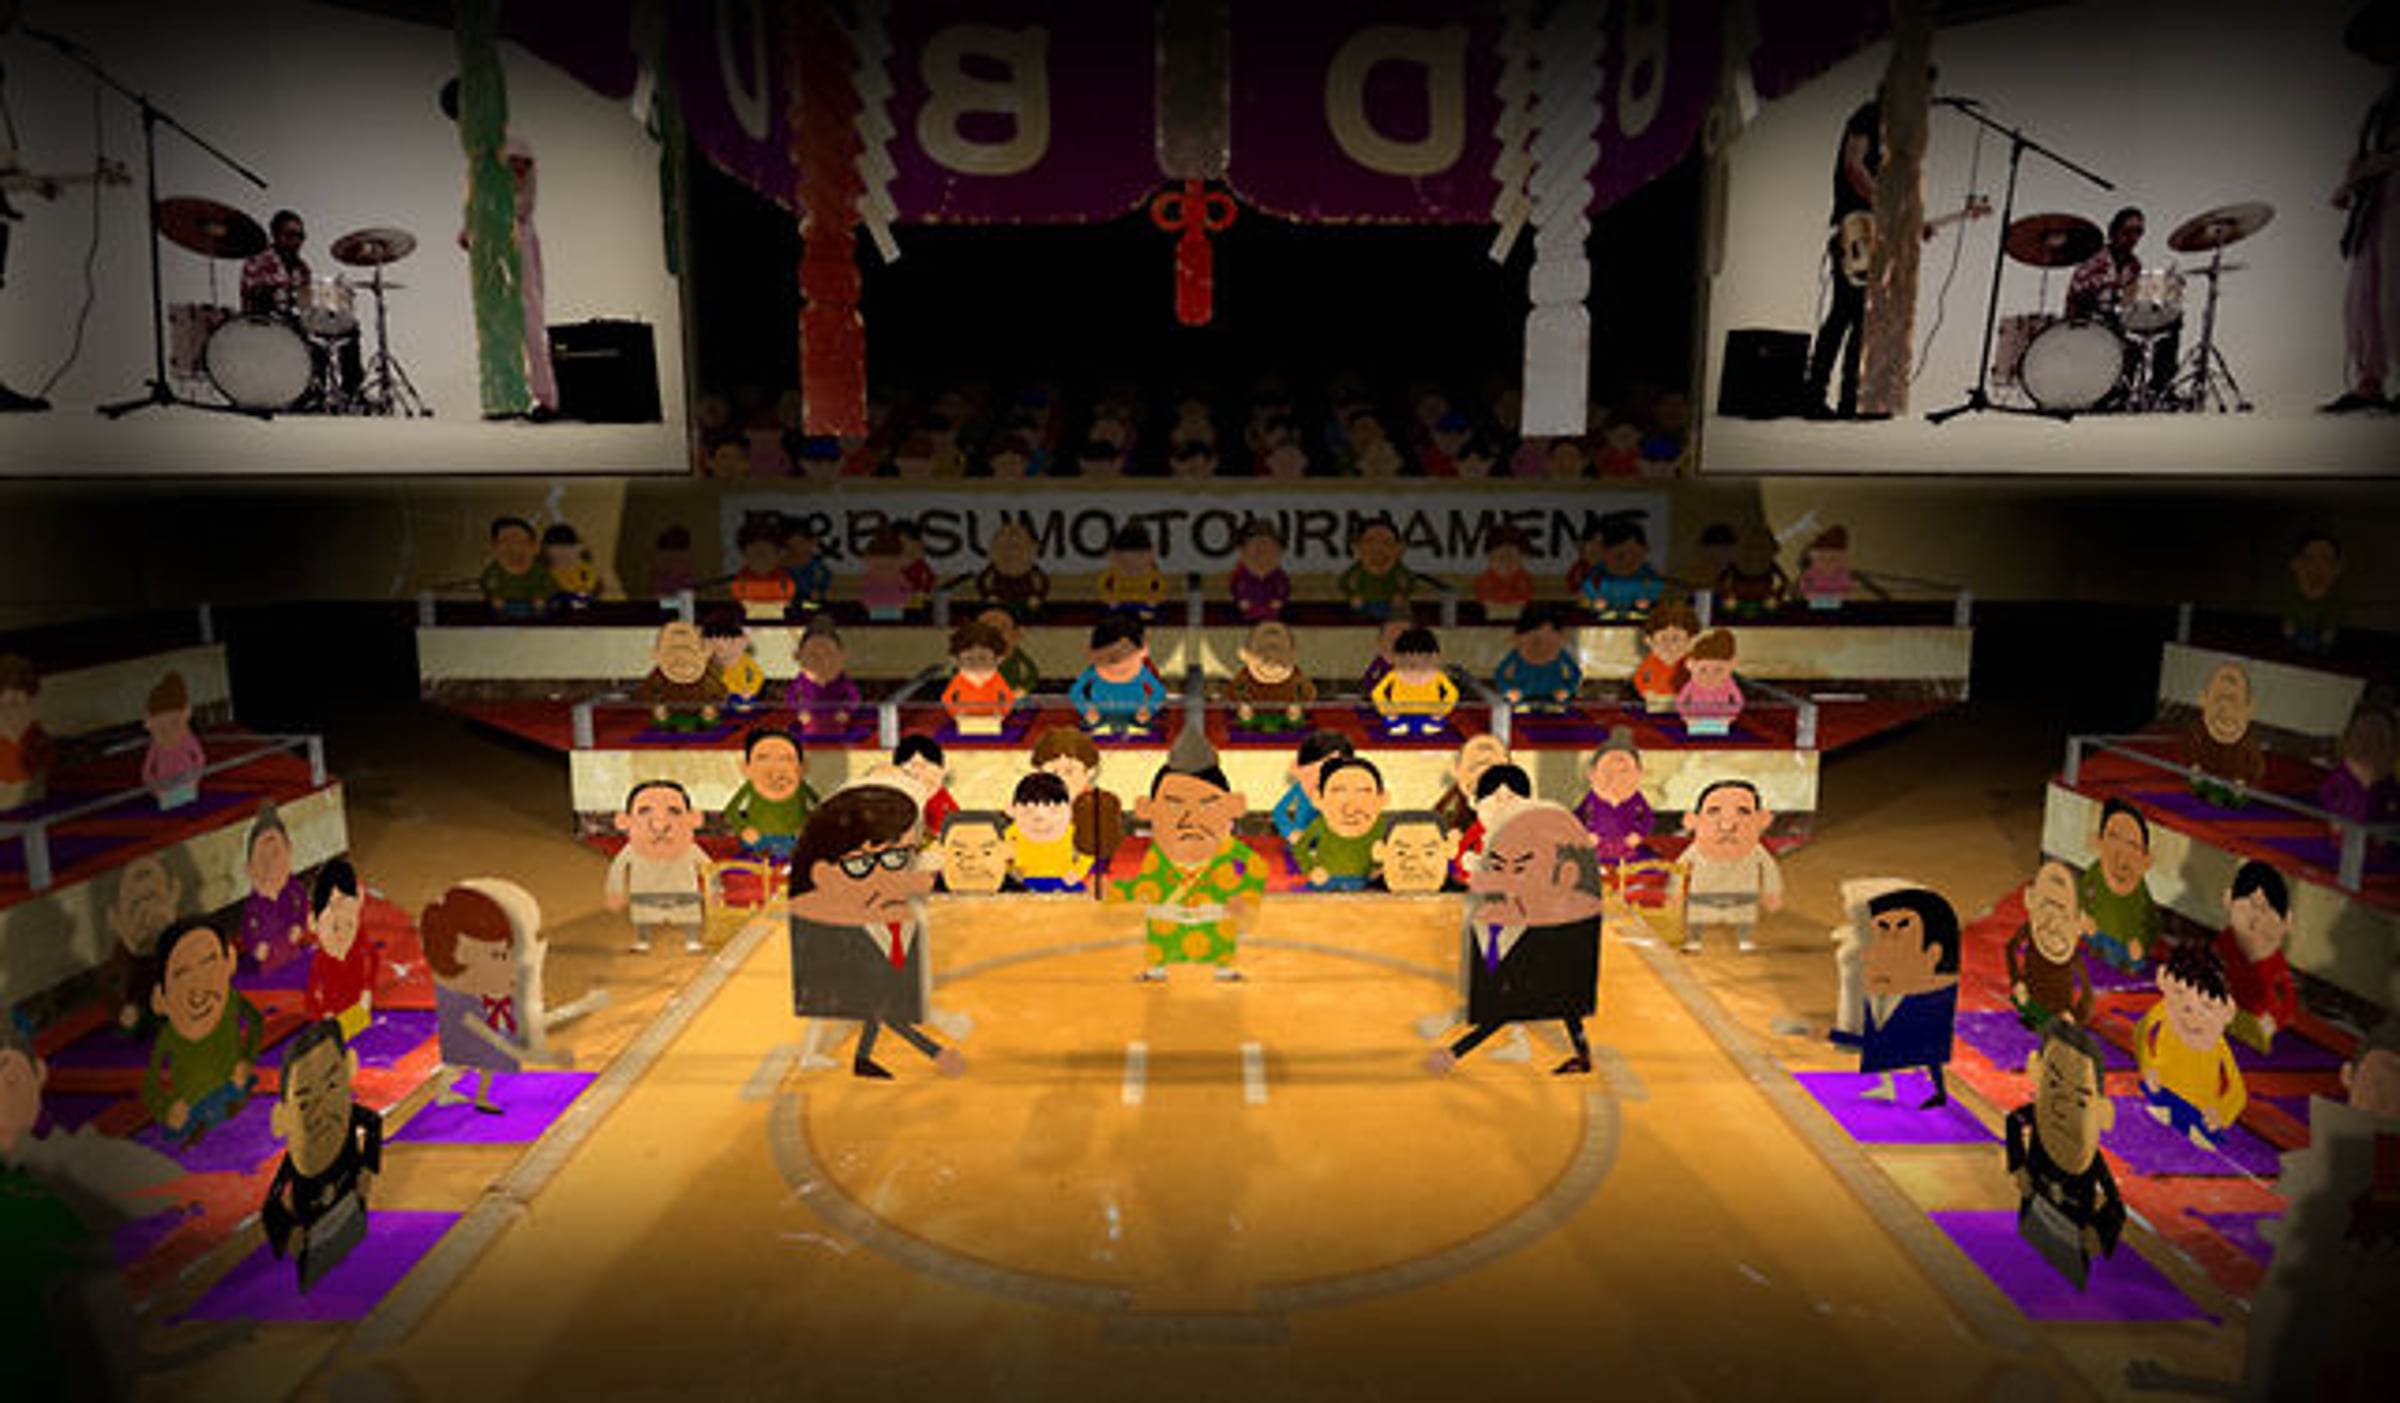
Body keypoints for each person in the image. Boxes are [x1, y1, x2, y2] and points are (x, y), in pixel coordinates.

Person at [787, 784, 966, 1079]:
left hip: (848, 950)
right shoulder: (833, 899)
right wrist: (938, 1047)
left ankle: (853, 1058)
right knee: (856, 1005)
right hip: (834, 952)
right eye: (860, 863)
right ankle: (827, 1056)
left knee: (864, 1006)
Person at [1425, 805, 1606, 1077]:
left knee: (1523, 1006)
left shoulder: (1558, 894)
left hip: (1551, 948)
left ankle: (1454, 1053)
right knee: (1565, 1008)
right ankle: (1583, 1056)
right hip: (1551, 948)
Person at [1113, 730, 1264, 982]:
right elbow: (1145, 886)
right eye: (1174, 804)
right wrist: (1118, 891)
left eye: (1207, 804)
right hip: (1171, 916)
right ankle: (1158, 968)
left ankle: (1222, 967)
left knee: (1217, 932)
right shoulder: (1160, 854)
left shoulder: (1225, 848)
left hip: (1214, 912)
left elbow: (1256, 867)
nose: (1190, 818)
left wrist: (1245, 896)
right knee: (1161, 926)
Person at [261, 1019, 382, 1294]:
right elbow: (271, 1206)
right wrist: (290, 1234)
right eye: (305, 1104)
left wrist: (369, 1167)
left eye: (332, 1085)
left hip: (349, 1204)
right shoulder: (299, 1158)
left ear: (349, 1067)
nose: (321, 1111)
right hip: (315, 1222)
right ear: (282, 1118)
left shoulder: (349, 1118)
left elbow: (373, 1123)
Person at [2006, 1019, 2125, 1290]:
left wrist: (2098, 1230)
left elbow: (2115, 1205)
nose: (2061, 1106)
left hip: (2071, 1230)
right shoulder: (2040, 1118)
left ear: (2101, 1112)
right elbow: (2014, 1121)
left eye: (2080, 1100)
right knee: (2029, 1264)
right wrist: (2018, 1165)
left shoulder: (2088, 1157)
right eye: (2053, 1084)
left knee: (2060, 1281)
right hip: (2035, 1210)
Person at [2326, 5, 2400, 413]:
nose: (2372, 58)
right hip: (2377, 203)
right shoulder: (2383, 100)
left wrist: (2374, 166)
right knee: (2364, 294)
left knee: (2395, 291)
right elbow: (2369, 151)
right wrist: (2350, 183)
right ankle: (2369, 382)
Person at [1830, 886, 1962, 1108]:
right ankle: (1899, 1085)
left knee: (1920, 1046)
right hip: (1893, 991)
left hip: (1911, 992)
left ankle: (1934, 1089)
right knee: (1891, 1039)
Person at [142, 919, 263, 1145]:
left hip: (230, 1091)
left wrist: (247, 1059)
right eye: (182, 973)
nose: (199, 981)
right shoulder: (170, 1035)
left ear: (229, 962)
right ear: (160, 999)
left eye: (209, 963)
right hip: (193, 1110)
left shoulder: (231, 1001)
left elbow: (256, 1021)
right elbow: (150, 1083)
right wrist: (166, 1110)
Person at [1805, 91, 1882, 419]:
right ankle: (1814, 396)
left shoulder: (1888, 127)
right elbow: (1853, 165)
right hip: (1855, 228)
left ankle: (1849, 401)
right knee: (1845, 314)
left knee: (1859, 317)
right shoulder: (1869, 116)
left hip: (1868, 228)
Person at [240, 209, 361, 408]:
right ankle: (304, 393)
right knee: (308, 333)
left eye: (300, 236)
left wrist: (327, 303)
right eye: (290, 235)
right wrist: (284, 301)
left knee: (348, 328)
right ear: (275, 235)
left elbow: (306, 304)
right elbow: (256, 297)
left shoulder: (302, 268)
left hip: (294, 322)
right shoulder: (258, 261)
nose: (296, 241)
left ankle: (349, 392)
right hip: (262, 325)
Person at [2065, 207, 2177, 406]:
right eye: (2128, 231)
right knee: (2125, 335)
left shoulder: (2134, 265)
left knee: (2170, 322)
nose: (2133, 238)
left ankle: (2159, 389)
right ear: (2114, 231)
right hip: (2089, 323)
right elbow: (2077, 295)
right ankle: (2109, 390)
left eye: (2138, 232)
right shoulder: (2095, 260)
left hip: (2118, 319)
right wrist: (2113, 294)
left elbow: (2131, 300)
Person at [606, 779, 719, 954]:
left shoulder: (690, 849)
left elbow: (709, 869)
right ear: (624, 821)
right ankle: (643, 940)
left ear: (693, 819)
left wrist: (715, 890)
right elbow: (618, 868)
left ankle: (692, 940)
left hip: (683, 894)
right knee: (643, 917)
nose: (659, 824)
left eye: (674, 811)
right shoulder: (632, 849)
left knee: (689, 917)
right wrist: (615, 891)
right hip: (645, 894)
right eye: (644, 811)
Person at [1676, 778, 1783, 954]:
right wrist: (1674, 891)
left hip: (1742, 895)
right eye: (1713, 811)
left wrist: (1772, 891)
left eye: (1743, 811)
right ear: (1692, 820)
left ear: (1762, 820)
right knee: (1697, 917)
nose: (1727, 825)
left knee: (1744, 917)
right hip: (1703, 895)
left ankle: (1745, 940)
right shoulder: (1695, 850)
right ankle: (1694, 940)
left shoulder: (1755, 850)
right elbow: (1678, 870)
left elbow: (1769, 869)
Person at [2004, 859, 2098, 1031]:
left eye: (2063, 914)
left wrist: (2075, 1017)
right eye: (2044, 906)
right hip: (2031, 1001)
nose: (2051, 923)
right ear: (2030, 899)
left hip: (2058, 1009)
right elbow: (2010, 948)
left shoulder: (2072, 955)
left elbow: (2087, 993)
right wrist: (2016, 981)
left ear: (2080, 922)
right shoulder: (2031, 930)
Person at [1291, 756, 1389, 892]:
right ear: (1318, 799)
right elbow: (1300, 848)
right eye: (1337, 792)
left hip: (1368, 885)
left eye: (1363, 792)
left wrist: (1382, 866)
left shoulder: (1383, 828)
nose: (1350, 810)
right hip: (1328, 882)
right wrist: (1311, 869)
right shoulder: (1320, 825)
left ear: (1382, 799)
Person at [723, 729, 818, 865]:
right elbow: (731, 810)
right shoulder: (751, 787)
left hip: (791, 839)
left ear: (802, 767)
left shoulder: (801, 787)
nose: (775, 768)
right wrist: (744, 828)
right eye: (763, 759)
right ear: (746, 768)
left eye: (785, 759)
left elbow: (821, 808)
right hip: (760, 839)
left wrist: (806, 827)